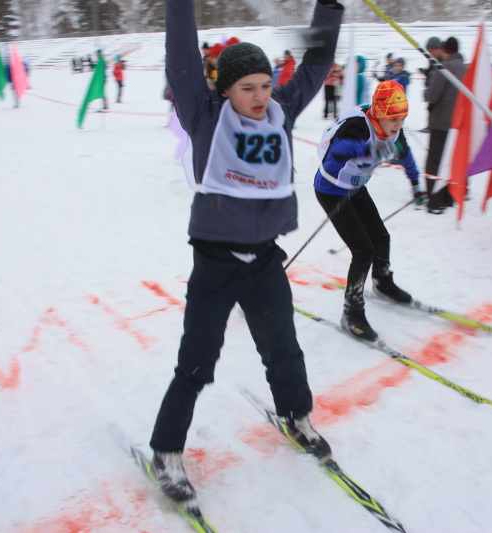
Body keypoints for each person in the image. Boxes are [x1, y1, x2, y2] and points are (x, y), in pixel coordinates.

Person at [150, 0, 344, 507]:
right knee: (197, 362)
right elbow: (181, 60)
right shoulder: (204, 116)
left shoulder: (280, 110)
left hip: (264, 262)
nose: (260, 97)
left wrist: (330, 8)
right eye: (247, 88)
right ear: (224, 90)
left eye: (264, 85)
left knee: (284, 350)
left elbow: (317, 66)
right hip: (215, 263)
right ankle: (166, 450)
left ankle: (296, 417)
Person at [313, 80, 424, 342]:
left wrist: (416, 183)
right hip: (331, 189)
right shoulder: (358, 127)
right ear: (379, 114)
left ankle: (383, 283)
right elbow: (336, 153)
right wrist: (369, 148)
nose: (398, 124)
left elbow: (404, 153)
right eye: (393, 119)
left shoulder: (394, 129)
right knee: (363, 250)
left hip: (356, 186)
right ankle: (352, 313)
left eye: (402, 118)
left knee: (381, 237)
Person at [423, 36, 465, 213]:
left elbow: (432, 95)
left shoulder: (445, 68)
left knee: (434, 162)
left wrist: (426, 90)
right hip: (458, 123)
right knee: (450, 161)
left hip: (441, 122)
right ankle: (448, 197)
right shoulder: (465, 67)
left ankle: (434, 201)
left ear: (444, 49)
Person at [419, 36, 442, 132]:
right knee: (430, 109)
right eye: (428, 51)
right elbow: (431, 75)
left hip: (439, 94)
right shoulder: (432, 62)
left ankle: (434, 126)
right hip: (431, 90)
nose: (430, 53)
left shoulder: (442, 62)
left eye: (433, 50)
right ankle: (430, 125)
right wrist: (426, 72)